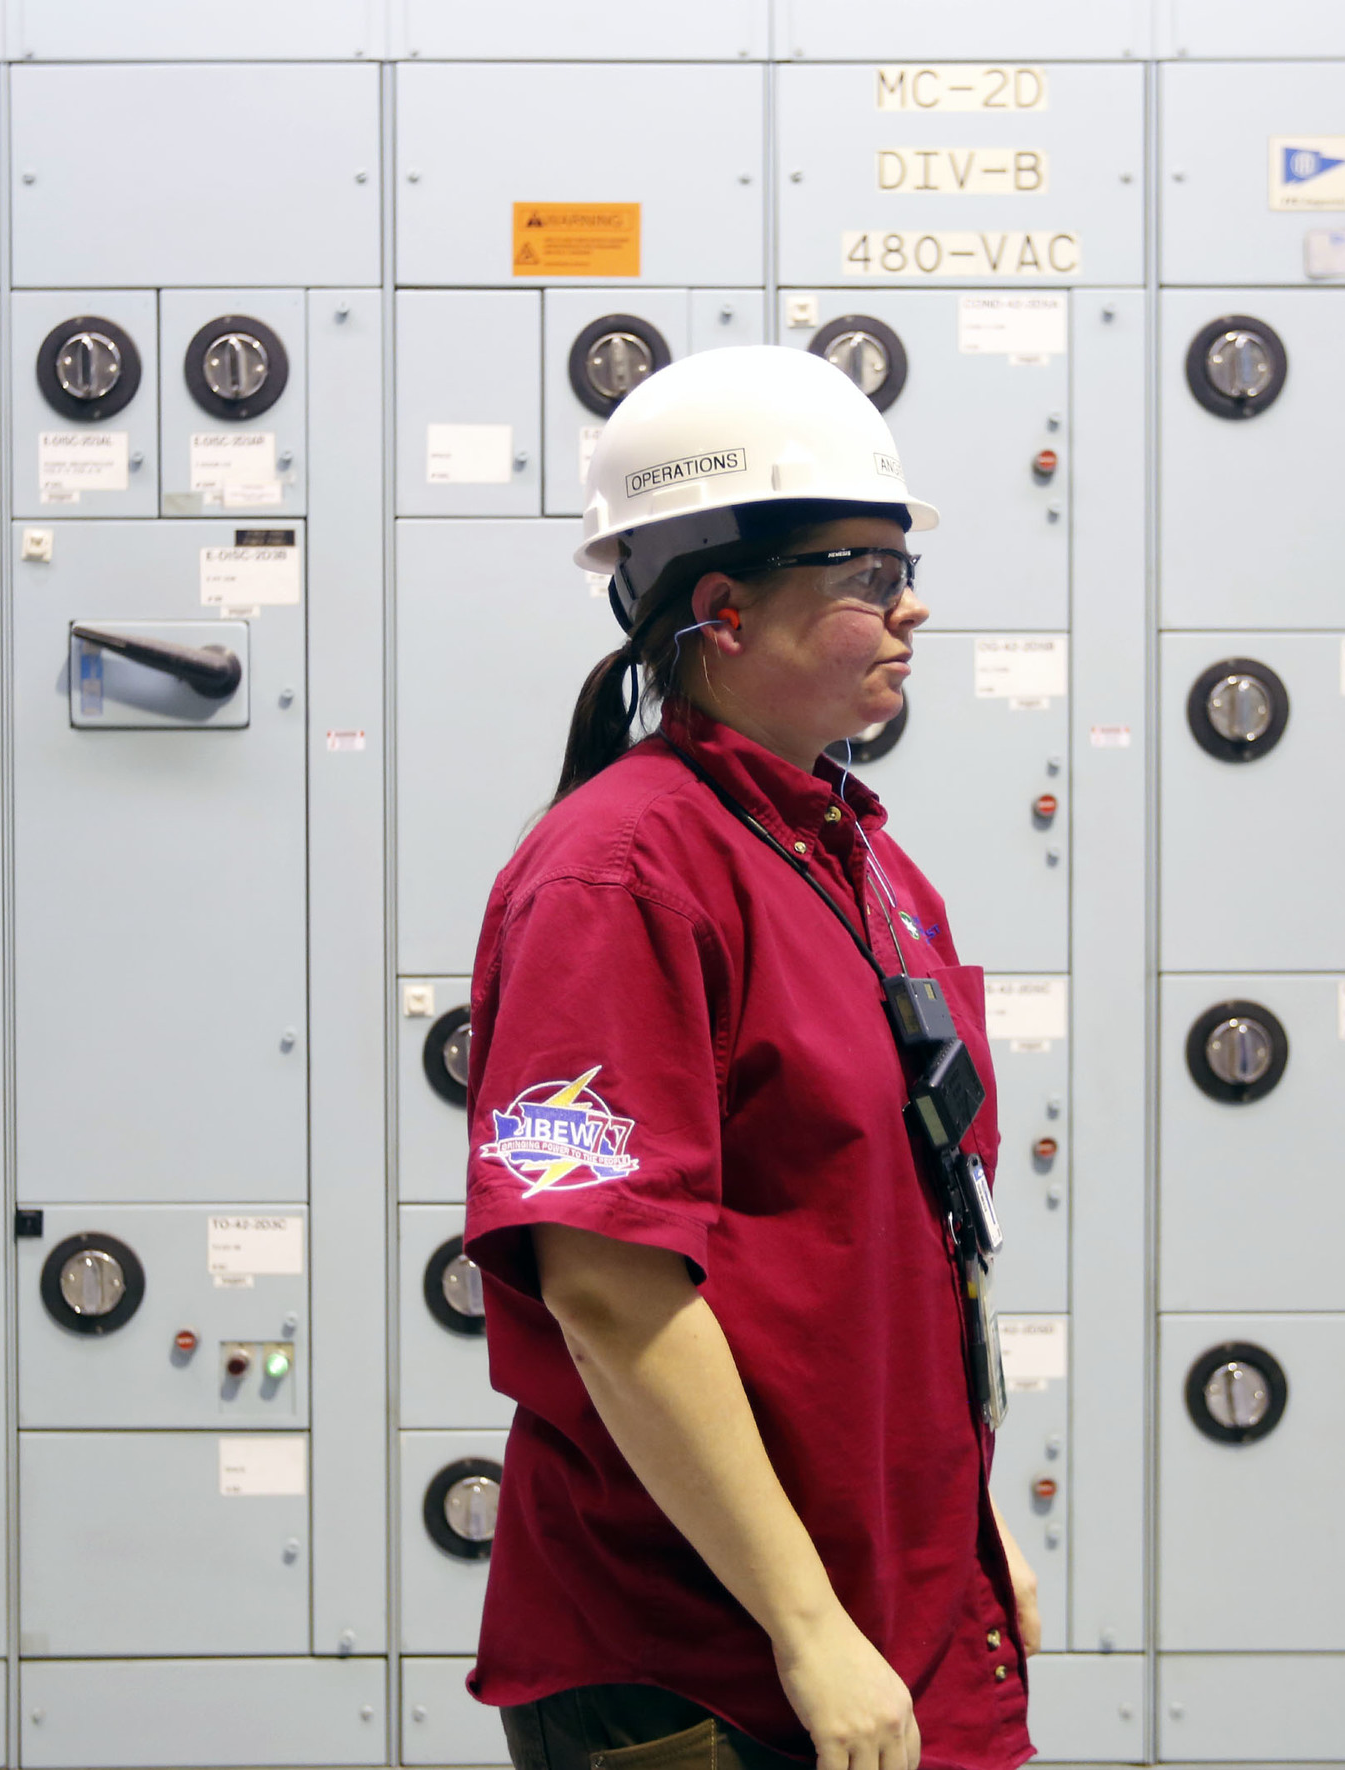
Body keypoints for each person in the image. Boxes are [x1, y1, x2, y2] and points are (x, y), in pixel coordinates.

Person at [459, 346, 1038, 1770]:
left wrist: (975, 1537)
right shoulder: (625, 871)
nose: (912, 608)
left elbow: (902, 1242)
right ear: (720, 611)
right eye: (865, 576)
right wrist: (807, 1624)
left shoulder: (856, 857)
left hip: (888, 1605)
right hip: (706, 1664)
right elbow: (604, 1280)